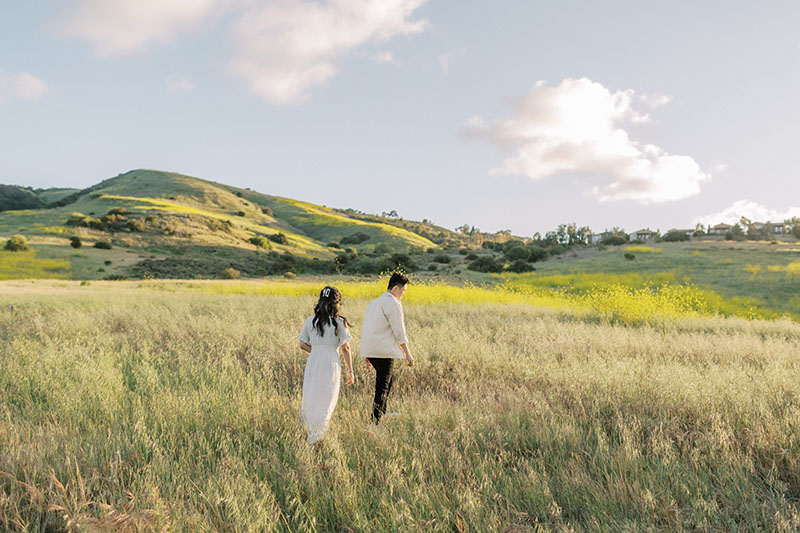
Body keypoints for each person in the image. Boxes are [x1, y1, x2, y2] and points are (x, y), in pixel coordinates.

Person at [298, 286, 354, 445]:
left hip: (314, 362)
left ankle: (311, 433)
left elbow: (302, 344)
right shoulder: (340, 322)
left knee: (312, 396)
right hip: (330, 362)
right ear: (336, 303)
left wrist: (316, 351)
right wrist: (350, 370)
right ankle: (317, 437)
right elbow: (346, 347)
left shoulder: (310, 321)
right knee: (327, 398)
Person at [360, 272, 415, 423]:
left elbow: (367, 328)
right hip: (383, 352)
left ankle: (382, 413)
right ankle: (375, 421)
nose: (403, 294)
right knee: (382, 387)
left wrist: (366, 352)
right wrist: (407, 354)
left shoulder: (374, 303)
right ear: (396, 288)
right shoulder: (393, 303)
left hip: (371, 350)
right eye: (403, 291)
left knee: (387, 381)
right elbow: (399, 330)